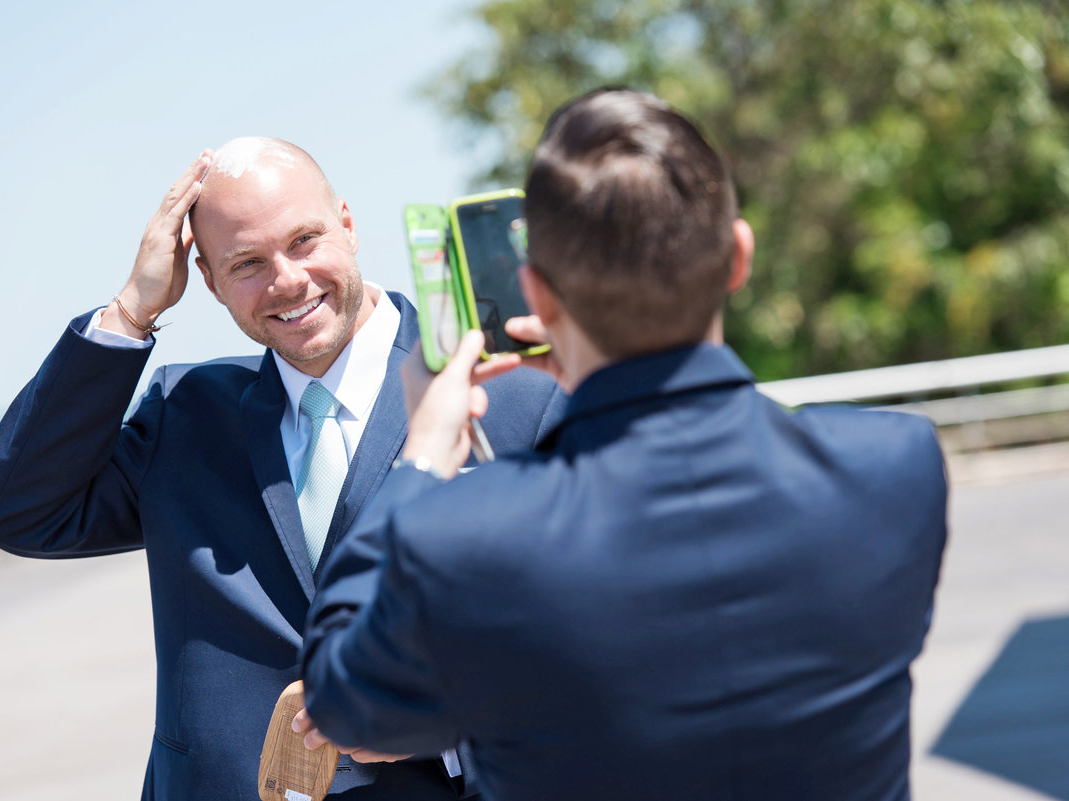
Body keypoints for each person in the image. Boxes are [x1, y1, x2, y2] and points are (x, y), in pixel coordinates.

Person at [299, 88, 949, 800]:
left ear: (538, 298)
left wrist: (419, 457)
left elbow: (339, 696)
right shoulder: (894, 462)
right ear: (738, 255)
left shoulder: (473, 532)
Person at [0, 138, 562, 800]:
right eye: (247, 262)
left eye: (305, 240)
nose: (285, 280)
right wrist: (133, 311)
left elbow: (595, 646)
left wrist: (451, 726)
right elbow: (18, 508)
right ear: (208, 281)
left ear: (348, 222)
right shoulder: (183, 412)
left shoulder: (517, 398)